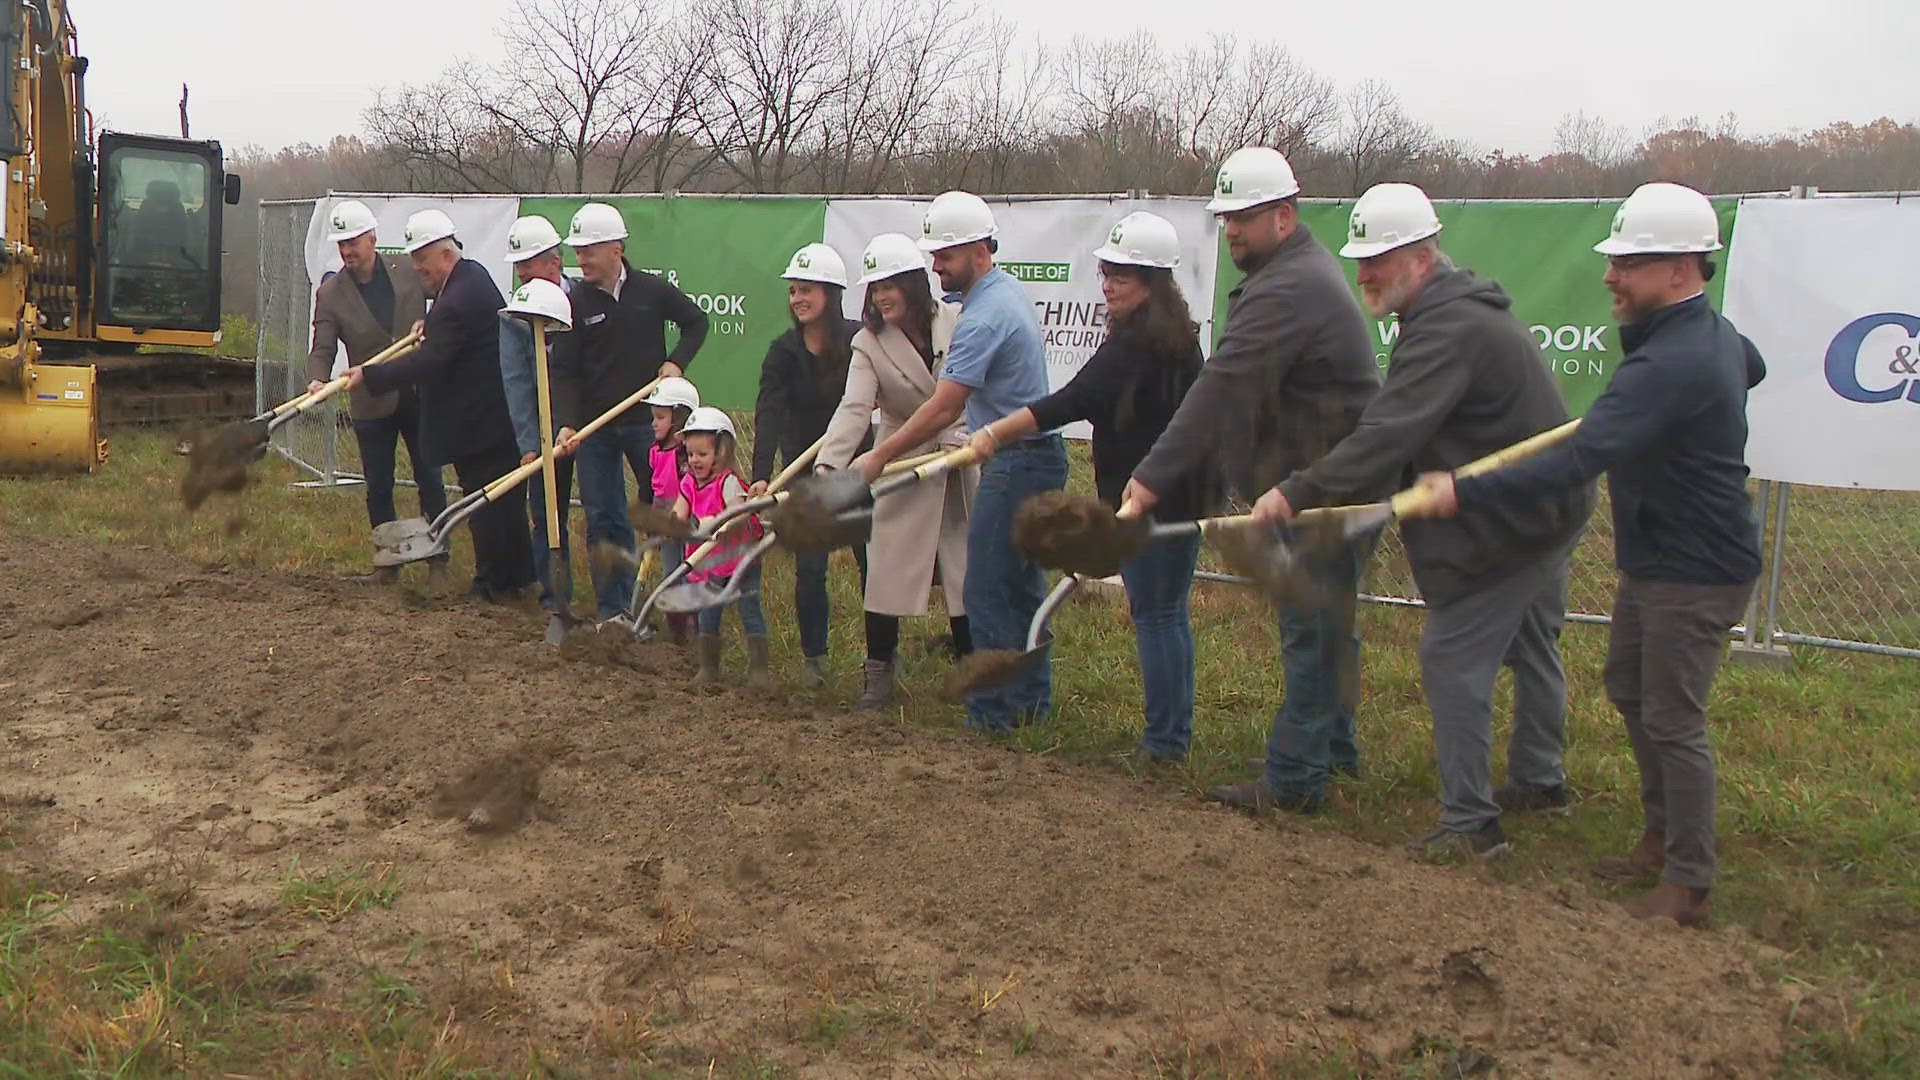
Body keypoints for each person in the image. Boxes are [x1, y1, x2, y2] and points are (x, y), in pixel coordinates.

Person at [1412, 182, 1765, 925]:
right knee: (1631, 689)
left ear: (1681, 271)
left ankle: (1689, 879)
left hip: (1695, 569)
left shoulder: (1673, 365)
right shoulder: (1707, 340)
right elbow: (1752, 366)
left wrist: (1462, 493)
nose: (1610, 274)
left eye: (1629, 263)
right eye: (1613, 260)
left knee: (1672, 716)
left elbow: (1580, 458)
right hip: (1661, 557)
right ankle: (1659, 837)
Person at [1251, 183, 1596, 859]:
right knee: (1532, 644)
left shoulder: (1447, 327)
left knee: (1451, 654)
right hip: (1555, 502)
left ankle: (1470, 824)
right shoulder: (1450, 311)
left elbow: (1387, 434)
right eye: (1360, 259)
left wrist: (1296, 492)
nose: (1365, 273)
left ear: (1420, 255)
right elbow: (1408, 435)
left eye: (1378, 259)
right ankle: (1540, 779)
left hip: (1521, 519)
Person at [1122, 146, 1381, 812]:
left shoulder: (1291, 287)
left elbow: (1222, 388)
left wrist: (1148, 479)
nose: (1232, 229)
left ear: (1285, 216)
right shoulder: (1294, 274)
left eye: (1246, 216)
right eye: (1226, 217)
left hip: (1322, 487)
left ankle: (1295, 779)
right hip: (1333, 480)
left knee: (1310, 630)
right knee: (1329, 625)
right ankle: (1337, 751)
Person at [968, 211, 1215, 763]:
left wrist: (994, 433)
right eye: (1104, 273)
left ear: (1152, 281)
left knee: (1155, 614)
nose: (1106, 285)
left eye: (1120, 276)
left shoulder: (1140, 344)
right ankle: (1168, 738)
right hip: (1165, 496)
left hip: (1154, 503)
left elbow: (1070, 401)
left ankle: (1164, 745)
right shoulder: (1166, 336)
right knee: (1163, 612)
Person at [853, 193, 1066, 732]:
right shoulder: (1005, 294)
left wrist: (879, 454)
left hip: (1014, 463)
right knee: (1020, 588)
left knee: (987, 588)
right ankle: (1031, 704)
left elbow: (944, 406)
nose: (937, 266)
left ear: (978, 250)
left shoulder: (982, 318)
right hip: (1032, 456)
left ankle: (992, 712)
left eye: (945, 255)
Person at [821, 233, 975, 711]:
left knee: (964, 574)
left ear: (913, 283)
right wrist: (831, 468)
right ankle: (878, 674)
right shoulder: (868, 343)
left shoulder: (958, 320)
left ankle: (974, 677)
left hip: (957, 461)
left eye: (890, 284)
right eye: (874, 287)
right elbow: (854, 408)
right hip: (900, 464)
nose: (882, 296)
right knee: (886, 571)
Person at [350, 209, 533, 601]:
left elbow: (431, 361)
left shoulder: (457, 299)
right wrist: (428, 328)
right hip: (492, 418)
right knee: (502, 502)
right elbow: (450, 337)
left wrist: (372, 375)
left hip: (480, 421)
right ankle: (517, 576)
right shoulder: (472, 277)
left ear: (445, 255)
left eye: (423, 259)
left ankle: (492, 584)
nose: (418, 268)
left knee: (484, 505)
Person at [552, 202, 710, 627]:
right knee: (604, 516)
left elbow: (697, 322)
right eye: (578, 250)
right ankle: (613, 611)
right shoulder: (575, 303)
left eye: (589, 250)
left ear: (616, 248)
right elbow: (563, 370)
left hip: (650, 427)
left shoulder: (651, 291)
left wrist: (676, 362)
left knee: (670, 513)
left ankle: (683, 609)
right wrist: (568, 421)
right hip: (595, 429)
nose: (580, 258)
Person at [306, 199, 447, 587]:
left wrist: (431, 321)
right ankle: (387, 563)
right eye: (341, 245)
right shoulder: (332, 292)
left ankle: (439, 559)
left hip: (417, 392)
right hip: (370, 400)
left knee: (430, 477)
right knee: (379, 484)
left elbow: (447, 294)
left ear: (372, 238)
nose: (348, 250)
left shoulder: (407, 270)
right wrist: (318, 378)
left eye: (353, 241)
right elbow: (323, 345)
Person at [753, 243, 869, 687]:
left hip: (859, 465)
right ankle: (815, 660)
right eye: (793, 291)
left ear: (832, 295)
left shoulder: (861, 342)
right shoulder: (782, 352)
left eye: (807, 290)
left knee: (870, 560)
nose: (797, 299)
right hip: (804, 470)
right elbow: (769, 412)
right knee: (811, 567)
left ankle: (881, 656)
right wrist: (762, 474)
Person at [496, 215, 576, 613]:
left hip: (585, 425)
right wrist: (530, 442)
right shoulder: (514, 316)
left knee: (602, 512)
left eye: (530, 263)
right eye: (519, 265)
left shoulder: (582, 301)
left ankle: (616, 602)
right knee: (546, 515)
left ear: (554, 262)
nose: (523, 272)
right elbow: (517, 383)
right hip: (544, 431)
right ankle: (555, 597)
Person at [672, 407, 769, 687]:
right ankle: (708, 668)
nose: (695, 461)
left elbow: (738, 516)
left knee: (749, 610)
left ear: (721, 452)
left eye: (702, 454)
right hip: (710, 563)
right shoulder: (689, 482)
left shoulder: (727, 483)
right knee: (709, 614)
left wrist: (717, 524)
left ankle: (760, 671)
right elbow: (679, 512)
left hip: (741, 560)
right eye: (691, 455)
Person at [641, 376, 701, 644]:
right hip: (665, 516)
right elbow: (657, 488)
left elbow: (693, 488)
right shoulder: (655, 452)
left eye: (661, 417)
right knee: (669, 573)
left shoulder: (685, 455)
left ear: (679, 418)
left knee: (691, 572)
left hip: (688, 518)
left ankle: (698, 627)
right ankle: (677, 633)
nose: (654, 422)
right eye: (654, 416)